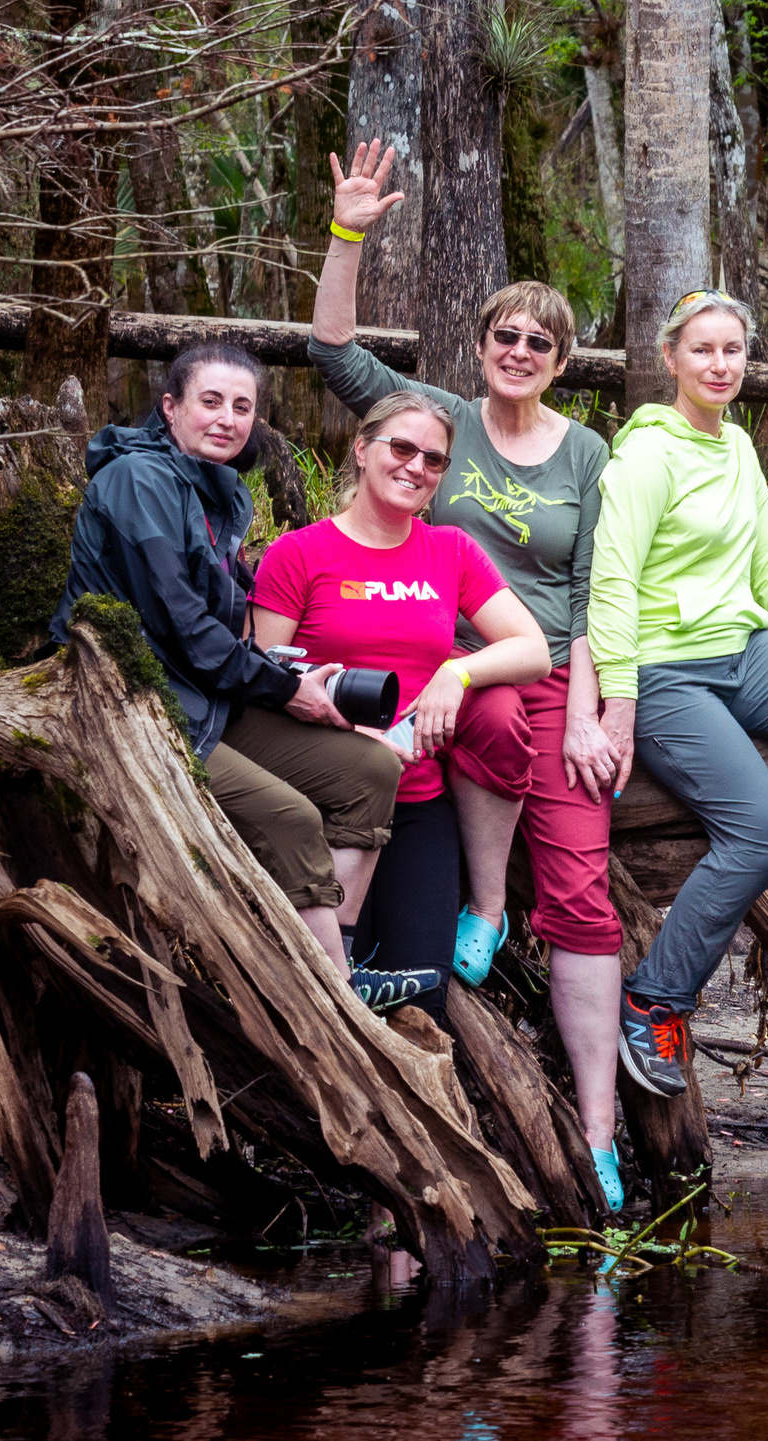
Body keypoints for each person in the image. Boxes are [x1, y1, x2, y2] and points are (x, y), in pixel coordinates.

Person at [311, 141, 632, 1208]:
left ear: (561, 357)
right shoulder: (434, 414)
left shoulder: (587, 453)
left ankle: (597, 1134)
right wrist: (350, 228)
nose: (520, 349)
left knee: (583, 885)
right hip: (447, 670)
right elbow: (334, 352)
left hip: (549, 669)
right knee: (484, 716)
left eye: (541, 339)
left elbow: (588, 596)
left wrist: (592, 711)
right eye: (506, 333)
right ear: (481, 341)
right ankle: (484, 911)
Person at [52, 343, 403, 983]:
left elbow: (223, 625)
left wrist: (295, 679)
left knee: (369, 770)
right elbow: (182, 626)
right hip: (140, 707)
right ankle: (333, 998)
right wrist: (282, 688)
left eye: (242, 407)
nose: (227, 419)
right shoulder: (138, 481)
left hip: (205, 699)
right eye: (209, 402)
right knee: (290, 816)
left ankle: (337, 954)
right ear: (170, 408)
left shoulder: (214, 493)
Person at [592, 289, 768, 1099]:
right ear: (670, 358)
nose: (719, 364)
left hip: (742, 652)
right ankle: (655, 998)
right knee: (759, 829)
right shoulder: (645, 454)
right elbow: (612, 581)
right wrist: (618, 699)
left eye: (733, 351)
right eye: (703, 350)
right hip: (666, 671)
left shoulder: (738, 446)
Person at [252, 392, 554, 1014]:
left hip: (416, 801)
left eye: (434, 460)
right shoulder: (299, 554)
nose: (416, 466)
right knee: (321, 999)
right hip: (326, 805)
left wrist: (457, 673)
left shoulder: (450, 551)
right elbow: (259, 680)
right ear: (362, 450)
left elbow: (533, 650)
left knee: (420, 999)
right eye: (402, 447)